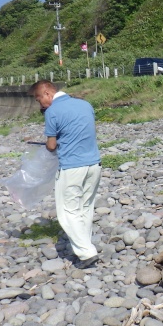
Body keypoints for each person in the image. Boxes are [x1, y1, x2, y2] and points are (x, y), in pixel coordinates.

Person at [30, 80, 102, 269]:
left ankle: (87, 253)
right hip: (94, 164)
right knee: (85, 207)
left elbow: (52, 145)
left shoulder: (53, 111)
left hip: (72, 167)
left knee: (68, 212)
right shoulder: (85, 104)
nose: (41, 104)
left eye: (39, 100)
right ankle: (84, 245)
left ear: (47, 93)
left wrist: (48, 145)